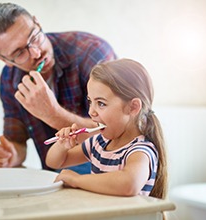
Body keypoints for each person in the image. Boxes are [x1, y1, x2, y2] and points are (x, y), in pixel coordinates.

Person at [0, 3, 117, 173]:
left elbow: (115, 131)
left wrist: (52, 114)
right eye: (19, 53)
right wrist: (10, 156)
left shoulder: (91, 52)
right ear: (6, 61)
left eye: (34, 37)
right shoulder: (9, 79)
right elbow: (17, 141)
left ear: (38, 23)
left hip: (110, 176)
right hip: (56, 180)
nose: (36, 53)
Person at [46, 59, 168, 199]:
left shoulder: (140, 150)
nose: (92, 112)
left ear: (133, 107)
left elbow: (129, 184)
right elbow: (55, 162)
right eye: (90, 102)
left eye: (101, 103)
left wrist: (77, 180)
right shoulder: (98, 143)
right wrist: (62, 146)